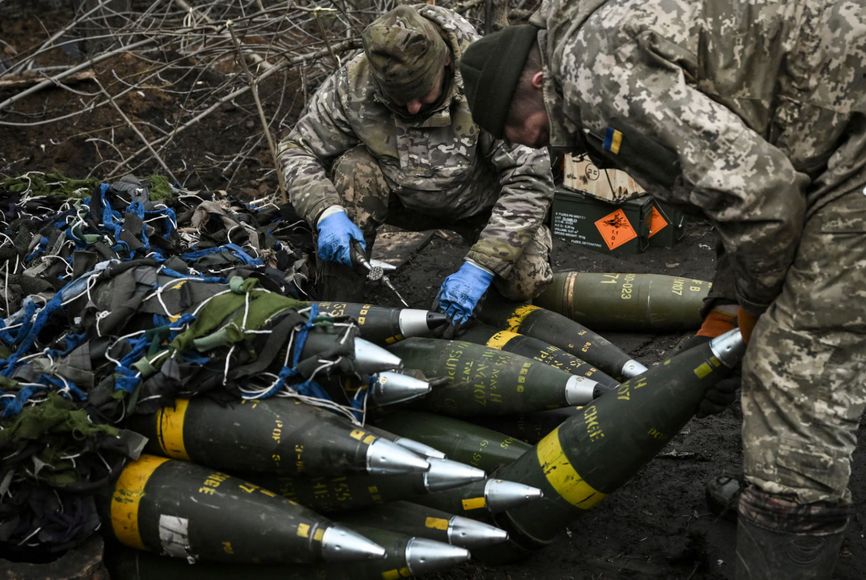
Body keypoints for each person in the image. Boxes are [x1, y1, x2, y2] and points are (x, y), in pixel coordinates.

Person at [457, 0, 866, 577]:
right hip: (835, 123)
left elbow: (763, 202)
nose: (530, 142)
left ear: (535, 81)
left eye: (514, 125)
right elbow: (737, 189)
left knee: (794, 373)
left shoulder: (591, 73)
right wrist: (726, 307)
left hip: (851, 144)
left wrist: (755, 311)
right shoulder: (598, 33)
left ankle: (788, 526)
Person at [277, 4, 554, 329]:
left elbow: (530, 179)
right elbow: (296, 148)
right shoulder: (355, 83)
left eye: (421, 92)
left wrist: (482, 266)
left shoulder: (486, 79)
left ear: (446, 63)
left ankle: (481, 314)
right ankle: (339, 313)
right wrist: (326, 212)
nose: (413, 107)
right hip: (400, 199)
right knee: (355, 169)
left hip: (481, 207)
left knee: (527, 279)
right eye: (399, 97)